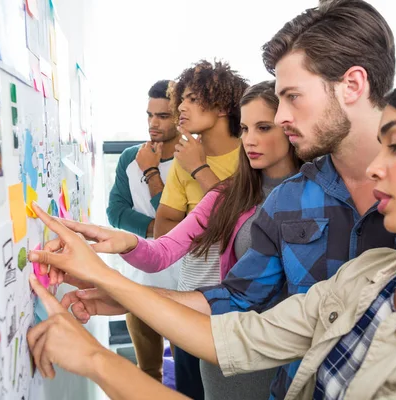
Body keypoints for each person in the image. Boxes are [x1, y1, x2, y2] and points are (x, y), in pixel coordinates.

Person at [28, 50, 396, 400]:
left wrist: (96, 359)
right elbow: (240, 326)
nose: (378, 167)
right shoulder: (374, 274)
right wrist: (110, 279)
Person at [68, 81, 302, 399]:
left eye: (263, 127)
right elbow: (163, 249)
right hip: (220, 352)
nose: (251, 140)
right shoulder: (228, 193)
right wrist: (127, 242)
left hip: (279, 359)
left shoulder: (312, 196)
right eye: (245, 128)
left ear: (291, 126)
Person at [154, 60, 247, 399]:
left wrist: (198, 169)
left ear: (222, 105)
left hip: (234, 301)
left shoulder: (250, 154)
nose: (181, 107)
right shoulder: (185, 158)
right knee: (189, 388)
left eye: (192, 98)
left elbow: (243, 219)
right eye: (181, 99)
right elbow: (163, 224)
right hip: (189, 292)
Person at [105, 80, 182, 383]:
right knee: (148, 372)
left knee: (189, 372)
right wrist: (159, 230)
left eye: (162, 116)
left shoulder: (191, 161)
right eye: (149, 115)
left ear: (180, 115)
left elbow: (186, 222)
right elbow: (115, 211)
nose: (153, 123)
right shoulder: (129, 158)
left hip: (183, 287)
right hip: (138, 283)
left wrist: (151, 173)